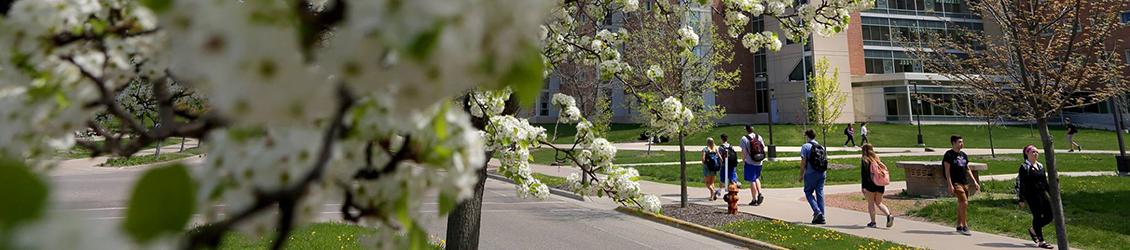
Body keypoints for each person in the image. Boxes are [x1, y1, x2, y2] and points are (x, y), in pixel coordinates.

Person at [1015, 145, 1055, 249]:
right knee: (1037, 216)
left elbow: (1045, 182)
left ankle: (1033, 229)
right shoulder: (1024, 167)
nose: (1035, 154)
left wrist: (1051, 194)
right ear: (1027, 153)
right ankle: (1041, 241)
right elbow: (1022, 184)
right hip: (1031, 195)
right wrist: (1021, 199)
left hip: (1042, 194)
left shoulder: (1040, 166)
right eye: (1033, 152)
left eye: (1037, 152)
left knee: (1050, 215)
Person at [944, 134, 979, 235]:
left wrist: (974, 181)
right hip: (956, 182)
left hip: (964, 182)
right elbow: (947, 171)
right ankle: (965, 226)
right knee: (964, 202)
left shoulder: (963, 155)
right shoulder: (949, 155)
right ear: (953, 143)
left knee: (961, 204)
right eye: (959, 142)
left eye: (962, 142)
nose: (961, 144)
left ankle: (959, 225)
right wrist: (949, 185)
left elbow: (967, 168)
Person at [861, 144, 894, 228]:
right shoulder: (877, 159)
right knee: (879, 202)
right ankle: (889, 215)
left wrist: (863, 187)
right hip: (880, 183)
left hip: (870, 184)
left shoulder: (865, 160)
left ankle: (873, 222)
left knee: (871, 203)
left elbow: (864, 175)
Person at [799, 129, 827, 224]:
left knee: (808, 192)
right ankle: (822, 216)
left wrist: (801, 175)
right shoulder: (821, 146)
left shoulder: (805, 147)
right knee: (820, 192)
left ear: (807, 136)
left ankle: (817, 211)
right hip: (822, 172)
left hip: (810, 173)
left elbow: (803, 162)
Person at [740, 125, 768, 206]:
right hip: (759, 161)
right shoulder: (759, 137)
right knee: (756, 178)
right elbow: (763, 148)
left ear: (746, 130)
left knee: (752, 180)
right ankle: (760, 193)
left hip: (750, 162)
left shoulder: (744, 138)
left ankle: (754, 199)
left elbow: (744, 151)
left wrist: (743, 160)